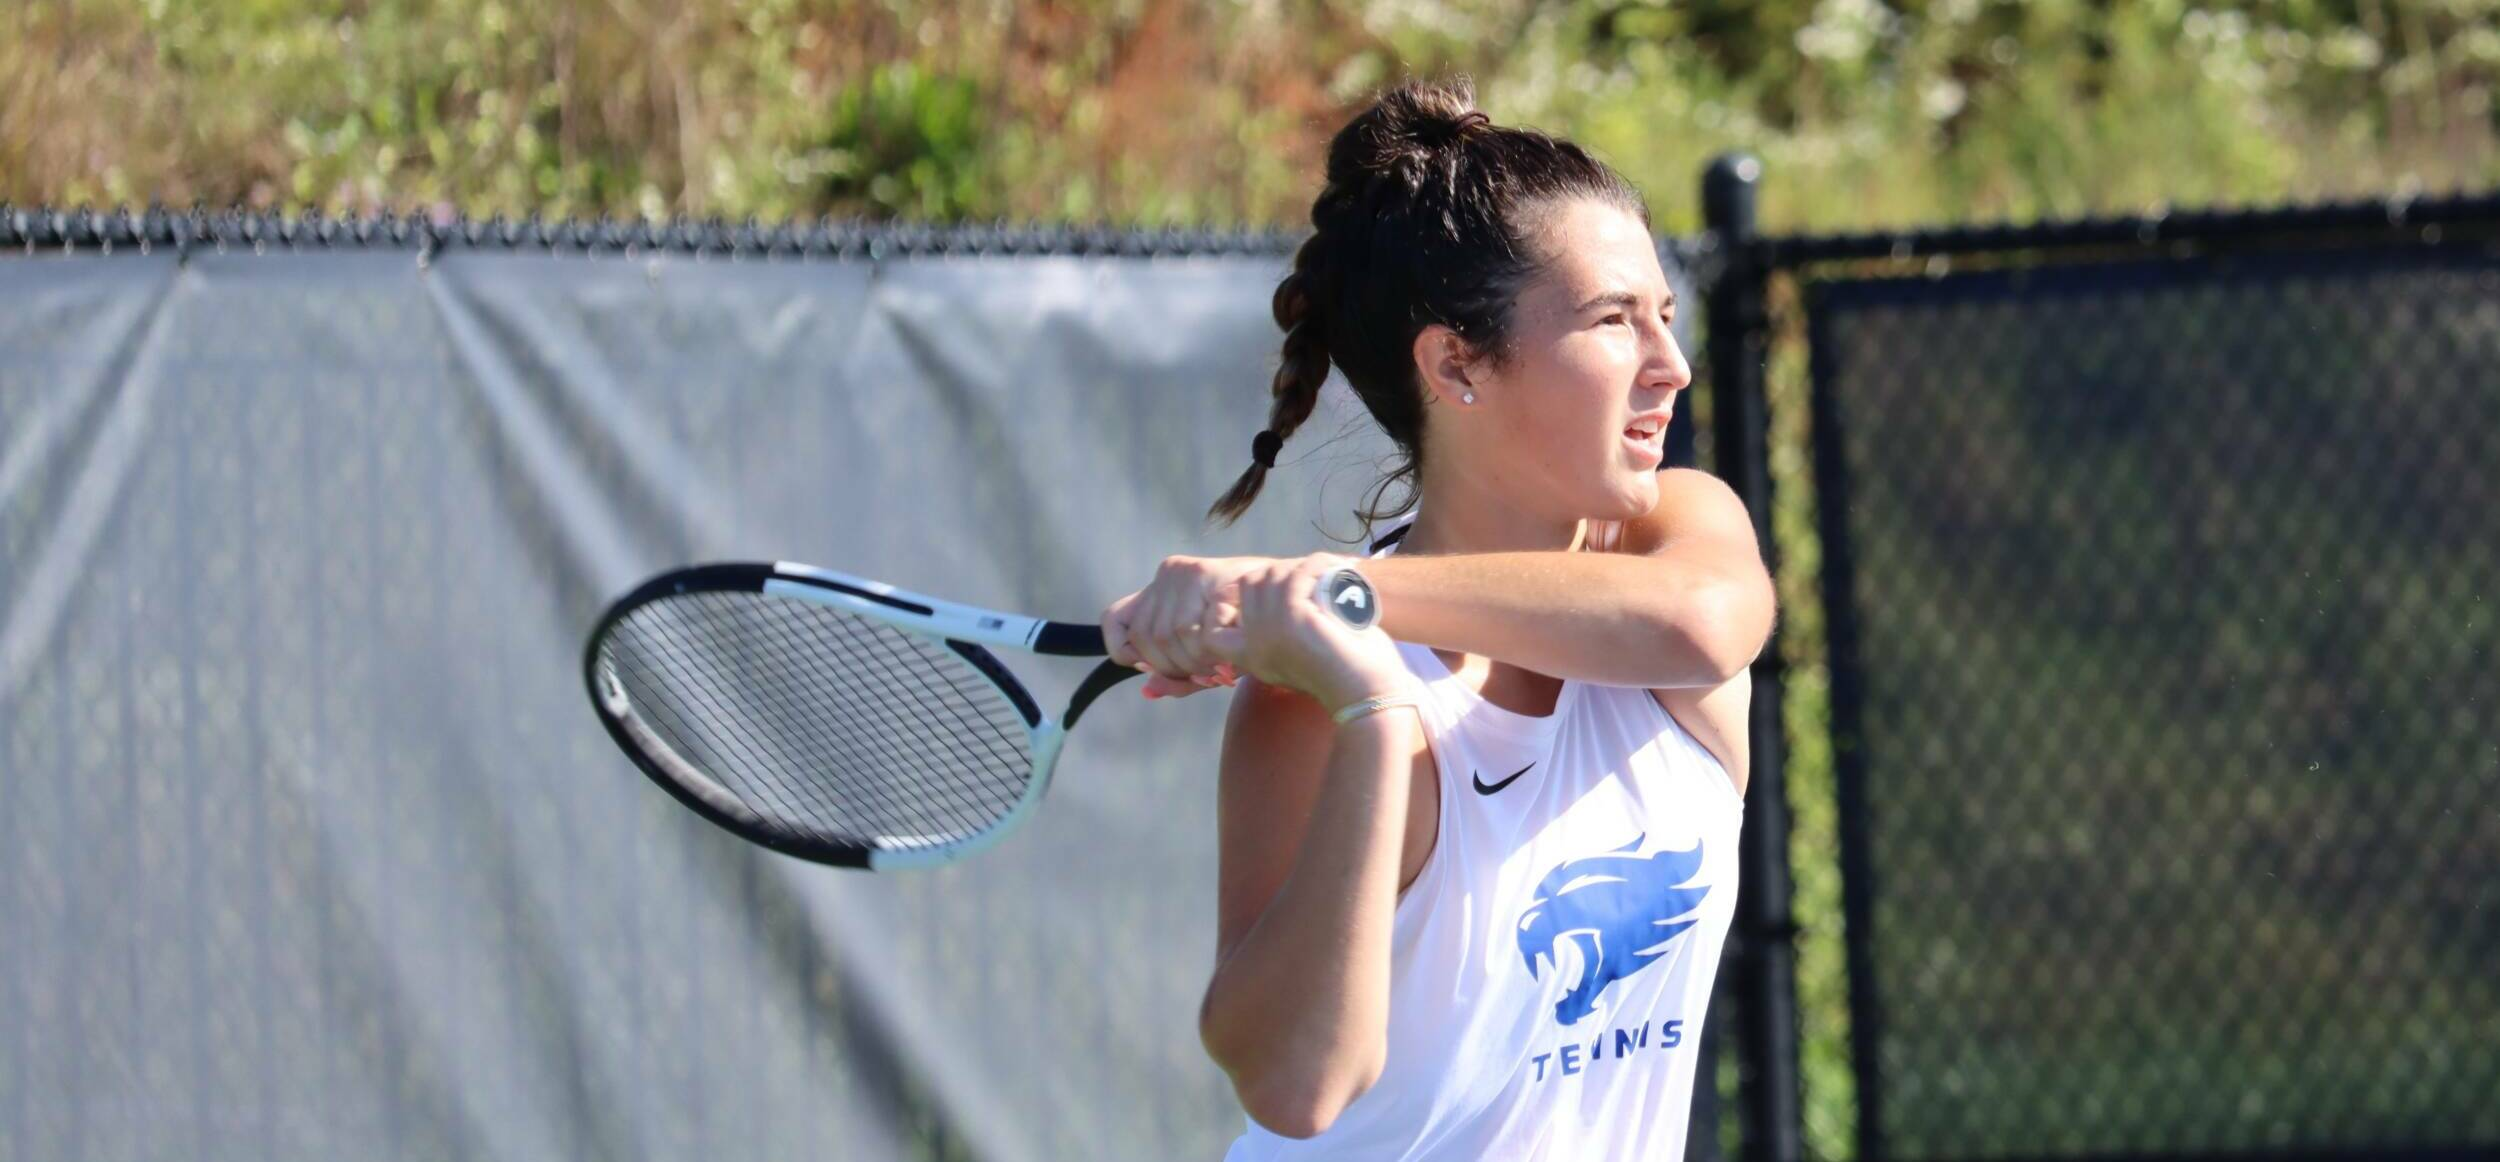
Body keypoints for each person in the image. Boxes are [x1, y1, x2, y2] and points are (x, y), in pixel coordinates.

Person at [1098, 77, 1777, 1160]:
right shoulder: (1312, 691)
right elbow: (1294, 1088)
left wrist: (1325, 588)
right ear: (1455, 361)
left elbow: (1701, 622)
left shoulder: (1675, 535)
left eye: (1665, 312)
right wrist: (1372, 707)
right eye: (1613, 321)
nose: (1672, 367)